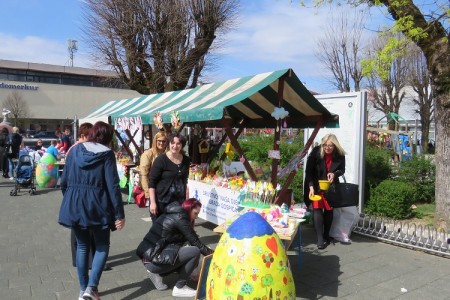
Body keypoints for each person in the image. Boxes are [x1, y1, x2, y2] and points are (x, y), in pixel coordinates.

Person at [58, 121, 125, 300]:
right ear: (108, 138)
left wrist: (71, 198)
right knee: (102, 245)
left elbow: (63, 181)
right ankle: (91, 287)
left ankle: (82, 290)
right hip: (98, 204)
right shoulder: (107, 154)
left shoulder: (75, 151)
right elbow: (113, 186)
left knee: (82, 246)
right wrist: (120, 214)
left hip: (75, 203)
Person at [136, 198, 214, 297]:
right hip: (154, 259)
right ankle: (180, 287)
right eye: (195, 213)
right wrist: (215, 254)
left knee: (187, 251)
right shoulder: (181, 218)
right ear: (189, 209)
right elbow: (196, 243)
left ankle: (157, 274)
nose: (196, 217)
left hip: (148, 258)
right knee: (194, 251)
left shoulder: (173, 213)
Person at [305, 133, 346, 249]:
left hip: (330, 187)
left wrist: (334, 174)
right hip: (316, 185)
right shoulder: (316, 153)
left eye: (330, 146)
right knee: (317, 209)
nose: (327, 148)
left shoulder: (339, 155)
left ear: (335, 146)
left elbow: (342, 170)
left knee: (329, 211)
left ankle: (326, 235)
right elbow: (309, 172)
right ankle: (320, 238)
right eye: (325, 145)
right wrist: (311, 187)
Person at [149, 132, 190, 220]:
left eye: (178, 143)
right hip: (162, 203)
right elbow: (152, 183)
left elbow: (185, 181)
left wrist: (187, 200)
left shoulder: (186, 160)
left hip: (179, 203)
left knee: (177, 231)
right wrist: (152, 203)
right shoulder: (161, 160)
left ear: (182, 145)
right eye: (173, 143)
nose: (175, 146)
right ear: (169, 144)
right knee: (161, 231)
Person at [139, 131, 167, 207]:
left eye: (164, 141)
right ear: (155, 141)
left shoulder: (168, 154)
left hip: (166, 190)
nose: (161, 143)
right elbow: (143, 175)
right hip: (153, 189)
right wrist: (147, 193)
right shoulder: (148, 154)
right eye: (159, 141)